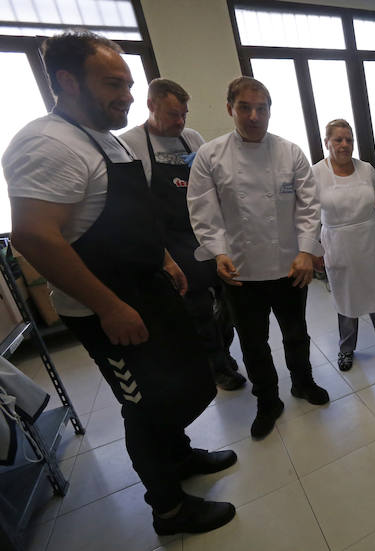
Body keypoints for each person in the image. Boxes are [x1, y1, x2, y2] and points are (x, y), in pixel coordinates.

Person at [2, 32, 236, 535]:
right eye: (113, 83)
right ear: (67, 81)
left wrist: (165, 259)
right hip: (107, 307)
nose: (127, 95)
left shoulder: (103, 135)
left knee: (183, 383)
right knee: (144, 407)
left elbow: (127, 214)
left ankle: (180, 456)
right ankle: (169, 509)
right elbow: (34, 236)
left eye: (129, 84)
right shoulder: (46, 142)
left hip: (148, 286)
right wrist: (108, 306)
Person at [187, 77, 329, 440]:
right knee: (253, 343)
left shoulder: (289, 152)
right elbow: (204, 211)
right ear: (229, 108)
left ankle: (303, 382)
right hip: (240, 270)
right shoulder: (211, 155)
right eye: (245, 108)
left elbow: (309, 206)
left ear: (269, 109)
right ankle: (268, 400)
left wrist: (306, 251)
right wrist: (217, 251)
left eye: (261, 108)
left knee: (296, 333)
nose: (254, 116)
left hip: (290, 266)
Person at [121, 79, 246, 391]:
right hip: (173, 243)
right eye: (173, 115)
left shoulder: (191, 139)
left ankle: (224, 352)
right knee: (199, 311)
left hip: (207, 234)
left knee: (229, 303)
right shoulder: (131, 144)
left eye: (184, 115)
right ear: (151, 105)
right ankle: (217, 366)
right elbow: (134, 206)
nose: (180, 122)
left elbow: (213, 186)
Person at [311, 119, 375, 371]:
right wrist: (312, 248)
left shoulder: (366, 169)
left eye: (349, 140)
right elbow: (308, 213)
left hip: (369, 238)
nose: (344, 145)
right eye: (338, 140)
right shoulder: (317, 173)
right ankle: (346, 348)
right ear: (327, 142)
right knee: (345, 295)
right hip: (337, 242)